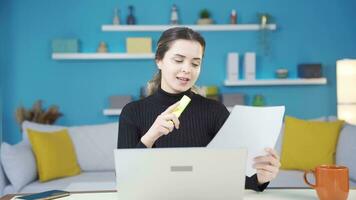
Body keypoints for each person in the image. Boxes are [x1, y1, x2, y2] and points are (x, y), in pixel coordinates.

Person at [117, 27, 281, 192]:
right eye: (179, 60)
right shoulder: (132, 112)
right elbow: (126, 180)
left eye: (195, 63)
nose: (187, 69)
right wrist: (151, 136)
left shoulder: (215, 111)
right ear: (159, 60)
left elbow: (235, 177)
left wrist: (261, 178)